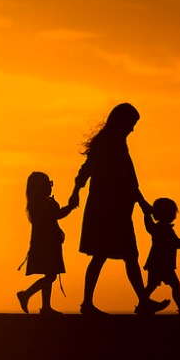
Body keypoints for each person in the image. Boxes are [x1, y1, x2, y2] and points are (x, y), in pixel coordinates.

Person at [68, 103, 169, 315]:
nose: (132, 129)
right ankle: (92, 303)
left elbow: (128, 180)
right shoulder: (108, 143)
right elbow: (98, 172)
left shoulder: (114, 142)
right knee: (109, 255)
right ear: (122, 122)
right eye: (131, 124)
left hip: (117, 209)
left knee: (122, 255)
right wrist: (76, 190)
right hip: (107, 210)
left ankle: (140, 301)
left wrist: (140, 202)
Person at [17, 172, 77, 315]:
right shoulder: (42, 204)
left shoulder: (36, 204)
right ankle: (26, 295)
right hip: (47, 244)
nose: (51, 187)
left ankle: (46, 307)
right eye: (48, 184)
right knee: (50, 276)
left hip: (44, 243)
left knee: (49, 274)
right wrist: (70, 207)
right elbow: (56, 215)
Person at [143, 198, 180, 315]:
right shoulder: (164, 230)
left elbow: (148, 225)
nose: (175, 216)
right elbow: (176, 243)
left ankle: (142, 305)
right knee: (173, 285)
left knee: (153, 286)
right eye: (173, 213)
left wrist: (147, 213)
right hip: (162, 265)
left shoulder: (158, 229)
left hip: (157, 264)